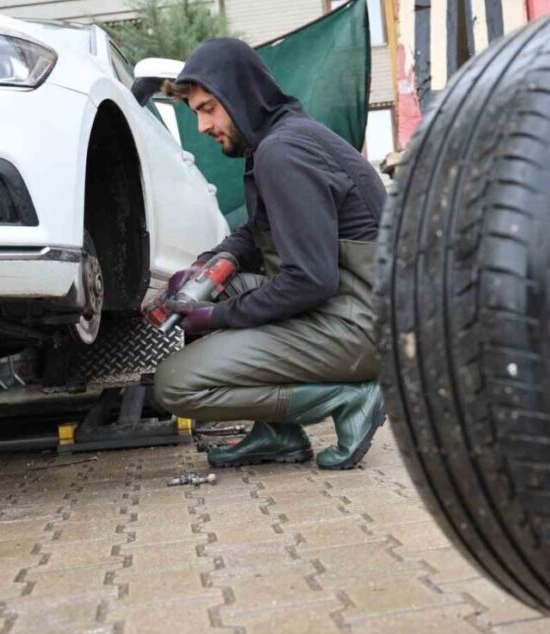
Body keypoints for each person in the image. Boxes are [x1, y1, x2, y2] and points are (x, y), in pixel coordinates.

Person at [153, 38, 386, 471]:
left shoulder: (283, 153)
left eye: (208, 109)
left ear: (238, 94)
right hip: (354, 307)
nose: (202, 126)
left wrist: (216, 317)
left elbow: (310, 280)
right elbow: (257, 230)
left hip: (360, 325)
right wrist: (208, 268)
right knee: (214, 289)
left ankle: (349, 398)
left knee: (176, 384)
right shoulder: (280, 141)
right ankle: (277, 433)